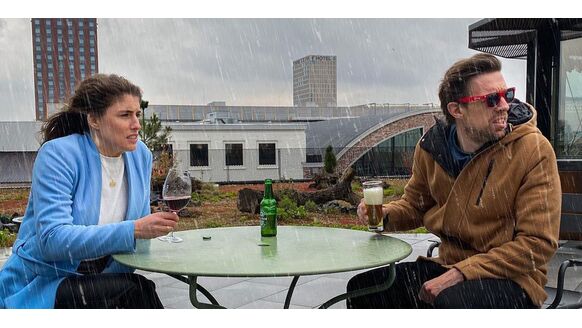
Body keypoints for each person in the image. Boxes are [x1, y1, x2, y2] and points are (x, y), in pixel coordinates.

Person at [347, 53, 561, 309]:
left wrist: (464, 272)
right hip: (448, 265)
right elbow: (416, 206)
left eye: (508, 94)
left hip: (513, 279)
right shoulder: (432, 149)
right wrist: (383, 214)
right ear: (457, 109)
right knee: (365, 289)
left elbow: (536, 245)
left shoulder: (532, 150)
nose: (504, 105)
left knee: (450, 304)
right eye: (492, 99)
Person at [0, 74, 179, 308]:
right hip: (46, 280)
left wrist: (149, 231)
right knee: (138, 291)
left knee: (135, 290)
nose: (136, 124)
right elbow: (53, 240)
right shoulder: (59, 155)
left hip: (104, 275)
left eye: (137, 114)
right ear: (94, 119)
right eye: (125, 115)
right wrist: (134, 230)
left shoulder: (140, 155)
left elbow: (139, 224)